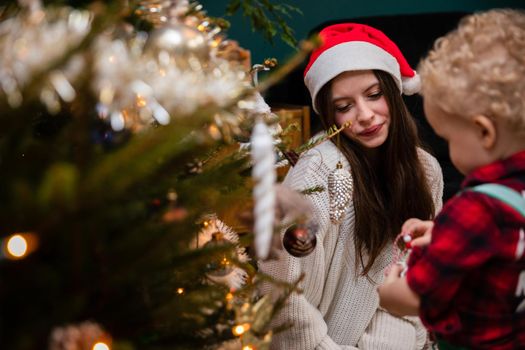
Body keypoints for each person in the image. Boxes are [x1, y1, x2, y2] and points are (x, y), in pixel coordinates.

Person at [258, 23, 443, 349]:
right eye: (344, 107)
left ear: (395, 91)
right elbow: (282, 291)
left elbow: (415, 276)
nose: (366, 115)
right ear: (330, 115)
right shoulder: (316, 175)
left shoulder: (426, 171)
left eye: (374, 95)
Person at [377, 9, 525, 349]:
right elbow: (501, 246)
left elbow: (419, 295)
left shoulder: (476, 209)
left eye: (449, 138)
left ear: (484, 133)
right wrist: (445, 235)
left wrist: (391, 291)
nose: (449, 149)